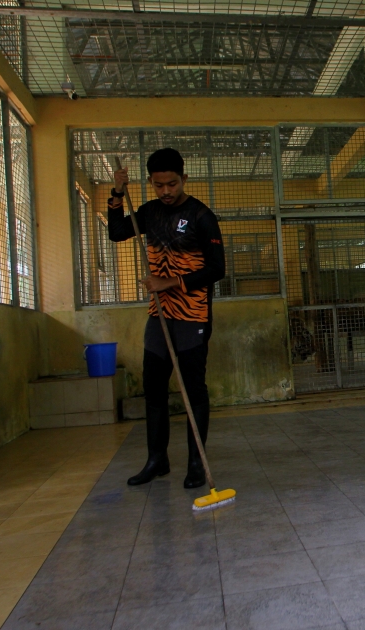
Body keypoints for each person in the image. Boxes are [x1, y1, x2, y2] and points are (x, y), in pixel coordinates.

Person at [108, 148, 225, 488]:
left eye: (172, 184)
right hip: (159, 316)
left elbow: (217, 269)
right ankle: (156, 460)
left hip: (192, 315)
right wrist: (117, 193)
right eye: (159, 186)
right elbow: (117, 232)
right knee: (153, 388)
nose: (166, 192)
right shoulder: (149, 213)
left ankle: (195, 464)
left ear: (183, 179)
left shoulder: (201, 215)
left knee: (192, 389)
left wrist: (169, 283)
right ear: (151, 183)